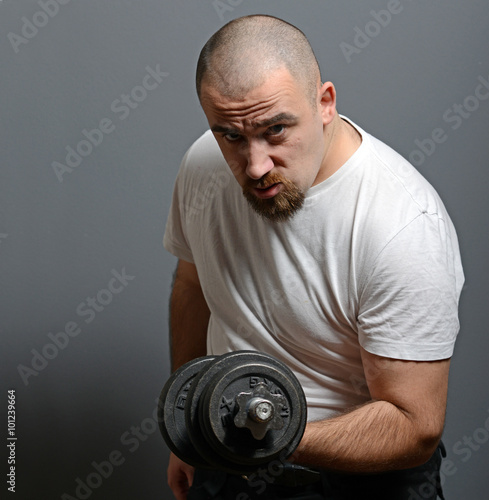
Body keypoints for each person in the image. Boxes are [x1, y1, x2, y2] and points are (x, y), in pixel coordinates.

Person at [163, 14, 464, 500]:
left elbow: (415, 426)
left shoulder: (402, 223)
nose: (255, 165)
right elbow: (192, 285)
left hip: (358, 478)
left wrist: (266, 436)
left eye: (276, 130)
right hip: (227, 459)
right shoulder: (203, 162)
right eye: (231, 136)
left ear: (325, 103)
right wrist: (188, 421)